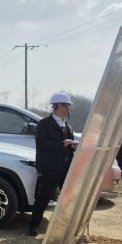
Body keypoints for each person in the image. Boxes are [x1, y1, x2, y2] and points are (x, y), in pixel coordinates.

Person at [28, 92, 77, 236]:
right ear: (59, 105)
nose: (70, 108)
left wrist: (72, 145)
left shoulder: (67, 124)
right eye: (68, 105)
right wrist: (62, 144)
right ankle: (34, 225)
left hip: (66, 166)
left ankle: (65, 226)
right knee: (44, 196)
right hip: (51, 167)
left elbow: (67, 145)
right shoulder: (44, 124)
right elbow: (42, 144)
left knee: (68, 198)